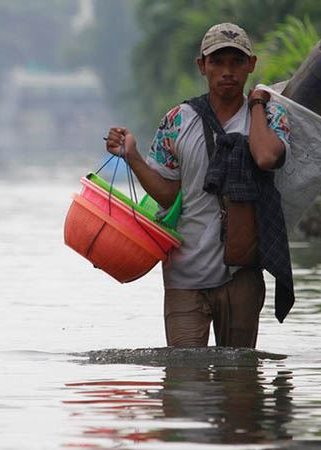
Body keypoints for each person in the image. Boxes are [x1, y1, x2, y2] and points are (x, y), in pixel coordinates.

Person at [105, 23, 293, 349]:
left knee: (238, 385)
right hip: (184, 275)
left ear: (251, 65)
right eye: (217, 62)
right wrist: (132, 156)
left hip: (241, 275)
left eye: (237, 62)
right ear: (202, 66)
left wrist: (259, 103)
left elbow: (265, 157)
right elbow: (169, 194)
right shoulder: (178, 120)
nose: (227, 71)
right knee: (183, 385)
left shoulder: (269, 116)